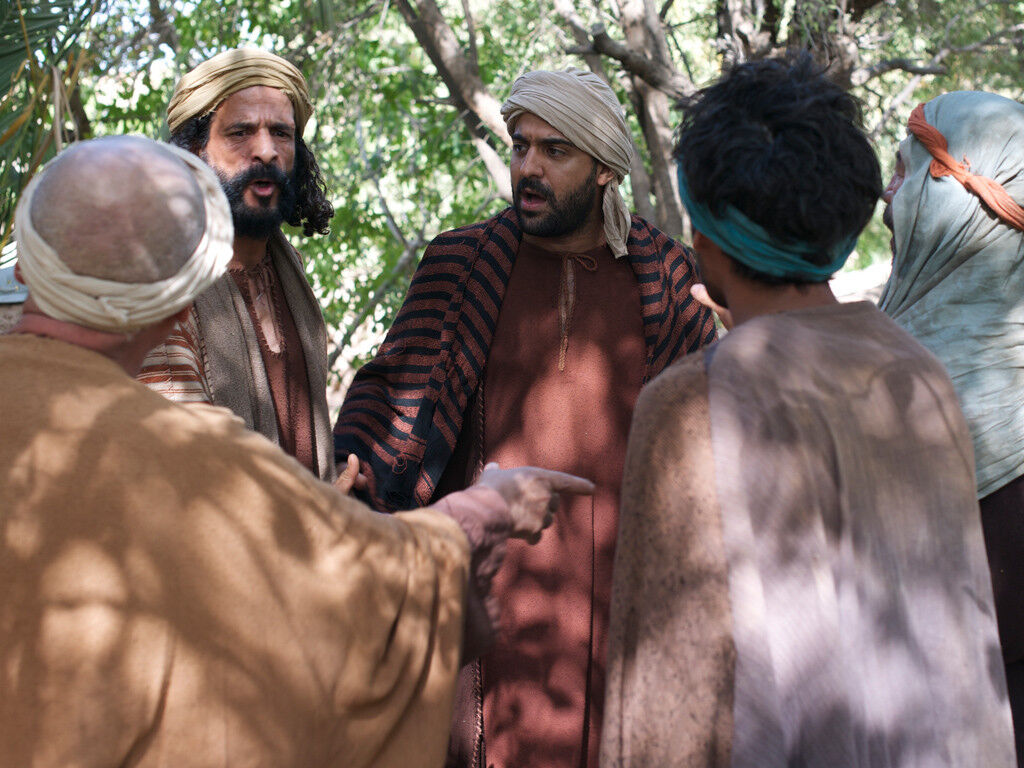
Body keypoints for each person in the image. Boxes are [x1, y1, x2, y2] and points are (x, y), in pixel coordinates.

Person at [0, 135, 594, 768]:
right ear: (177, 312)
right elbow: (368, 583)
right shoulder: (200, 462)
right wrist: (489, 510)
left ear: (27, 269)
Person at [601, 57, 1014, 767]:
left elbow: (668, 700)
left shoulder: (692, 402)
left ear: (703, 239)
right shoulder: (919, 373)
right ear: (845, 230)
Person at [334, 68, 716, 768]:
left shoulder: (669, 281)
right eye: (520, 146)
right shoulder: (460, 267)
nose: (528, 167)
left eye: (554, 151)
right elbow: (391, 391)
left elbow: (704, 448)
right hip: (489, 597)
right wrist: (353, 467)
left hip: (620, 603)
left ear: (604, 169)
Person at [877, 90, 1024, 762]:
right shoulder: (865, 365)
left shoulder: (870, 389)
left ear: (956, 200)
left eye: (904, 172)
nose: (887, 193)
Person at [137, 48, 342, 485]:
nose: (266, 151)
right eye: (240, 132)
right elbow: (187, 470)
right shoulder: (162, 282)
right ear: (194, 151)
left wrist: (335, 481)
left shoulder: (285, 265)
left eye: (281, 133)